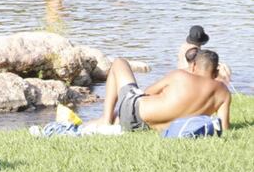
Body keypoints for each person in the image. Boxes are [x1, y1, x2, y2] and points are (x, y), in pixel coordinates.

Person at [90, 51, 230, 132]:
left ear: (193, 65)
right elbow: (224, 127)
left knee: (119, 63)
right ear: (215, 70)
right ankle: (105, 121)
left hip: (134, 112)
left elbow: (148, 92)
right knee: (115, 116)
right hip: (145, 127)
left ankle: (106, 122)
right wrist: (222, 80)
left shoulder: (180, 75)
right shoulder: (223, 93)